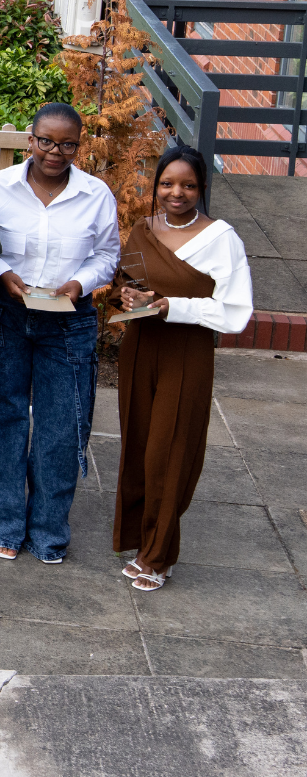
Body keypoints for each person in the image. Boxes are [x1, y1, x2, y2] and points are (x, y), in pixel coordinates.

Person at [0, 102, 121, 564]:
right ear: (30, 141)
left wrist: (81, 282)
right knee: (5, 419)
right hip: (2, 316)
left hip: (68, 321)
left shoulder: (96, 194)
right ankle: (3, 524)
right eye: (46, 141)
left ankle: (49, 531)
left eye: (67, 144)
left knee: (61, 427)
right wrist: (2, 274)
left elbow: (107, 255)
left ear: (78, 146)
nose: (55, 152)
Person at [113, 147, 254, 591]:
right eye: (167, 183)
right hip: (141, 347)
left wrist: (171, 306)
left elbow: (235, 311)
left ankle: (159, 555)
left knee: (169, 452)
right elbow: (127, 280)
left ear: (202, 188)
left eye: (188, 185)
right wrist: (126, 296)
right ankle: (142, 542)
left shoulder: (221, 239)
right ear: (156, 186)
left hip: (186, 352)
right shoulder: (144, 228)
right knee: (138, 447)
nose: (177, 192)